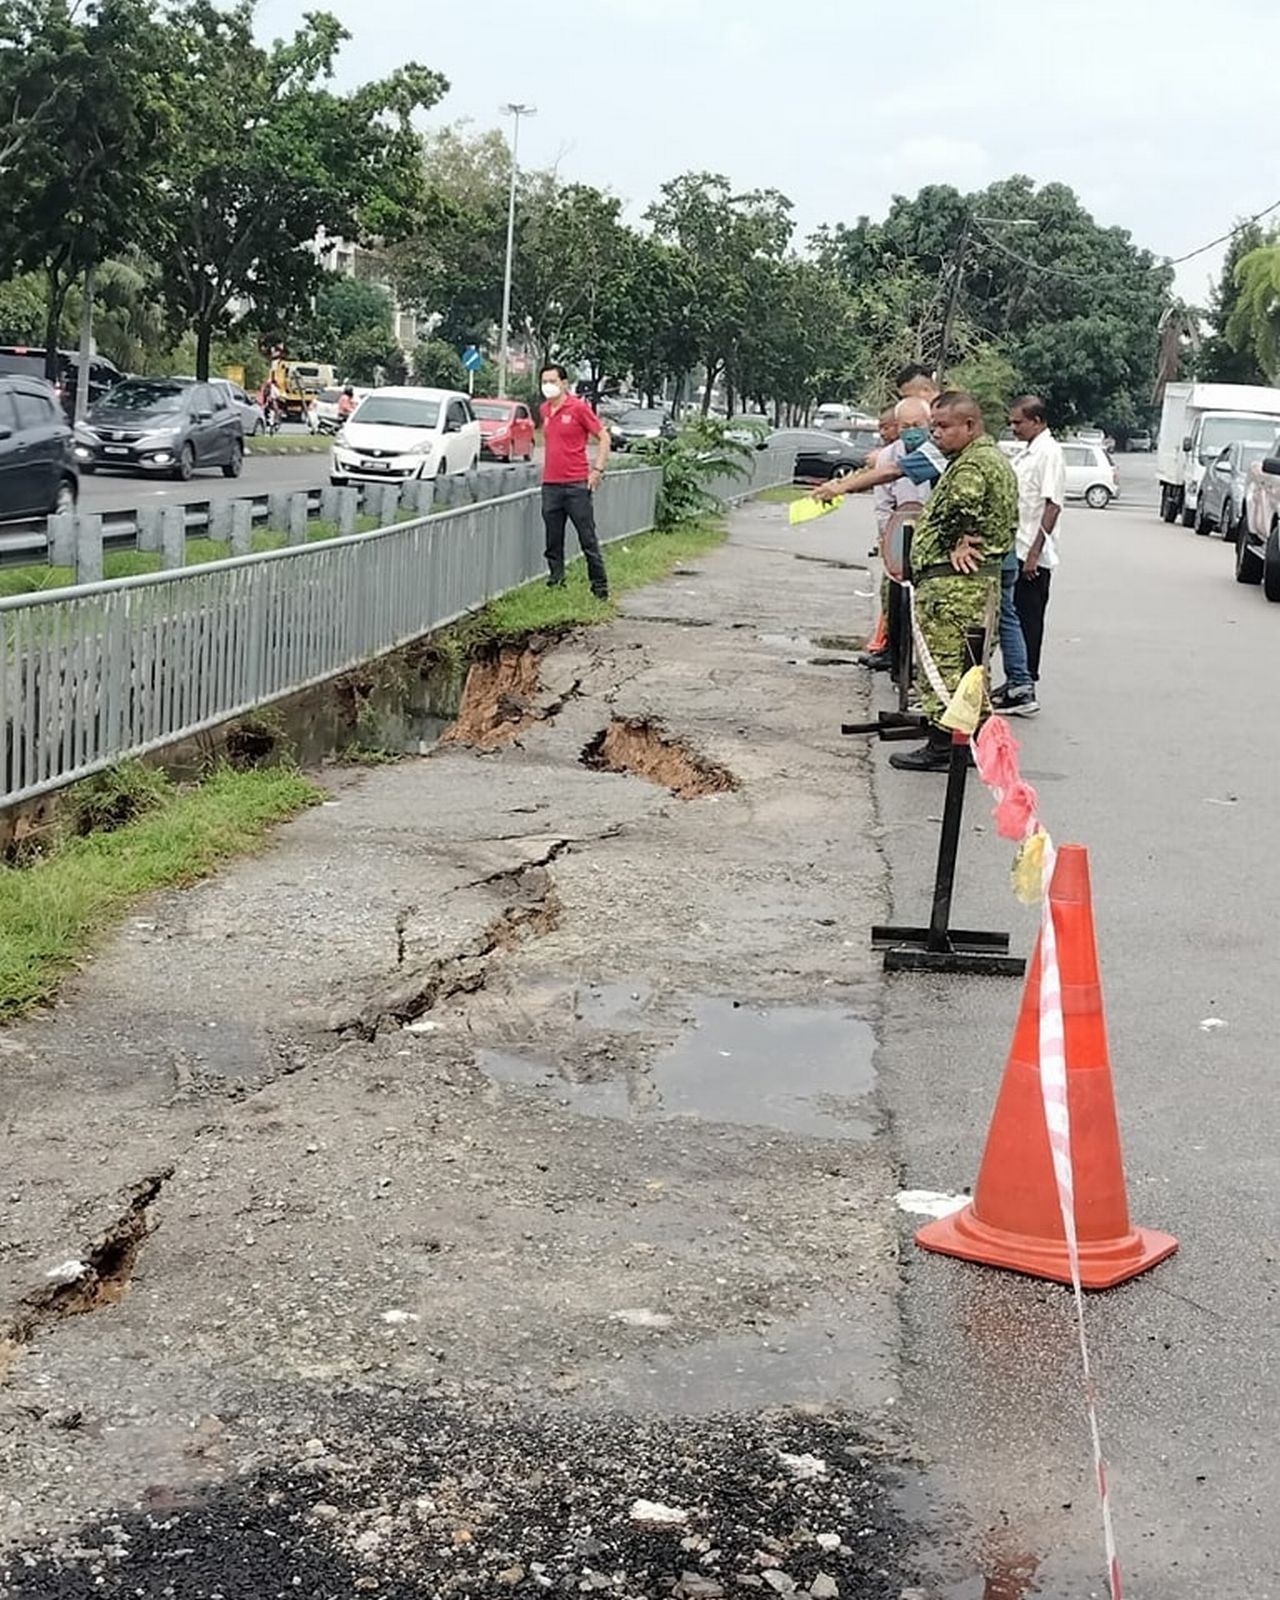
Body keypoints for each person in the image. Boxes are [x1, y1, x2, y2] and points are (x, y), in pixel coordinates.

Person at [888, 392, 1017, 772]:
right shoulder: (982, 459)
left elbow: (965, 502)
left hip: (955, 589)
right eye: (934, 428)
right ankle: (972, 740)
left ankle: (944, 744)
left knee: (945, 667)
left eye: (944, 427)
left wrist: (961, 538)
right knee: (969, 668)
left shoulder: (972, 466)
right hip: (969, 587)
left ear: (970, 426)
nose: (937, 435)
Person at [994, 394, 1065, 711]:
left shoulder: (1049, 453)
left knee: (1026, 621)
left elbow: (1053, 506)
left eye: (1018, 422)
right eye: (1011, 422)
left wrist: (1035, 553)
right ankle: (1014, 682)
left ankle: (1025, 686)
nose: (1013, 428)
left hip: (1030, 552)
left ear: (1037, 421)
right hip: (1017, 545)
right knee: (1014, 618)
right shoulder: (1029, 453)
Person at [539, 362, 611, 600]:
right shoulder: (545, 410)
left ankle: (599, 588)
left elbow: (603, 436)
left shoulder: (578, 408)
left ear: (564, 383)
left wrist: (597, 469)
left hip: (576, 484)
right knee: (553, 539)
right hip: (551, 484)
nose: (548, 386)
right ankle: (556, 582)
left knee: (587, 538)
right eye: (545, 382)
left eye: (553, 381)